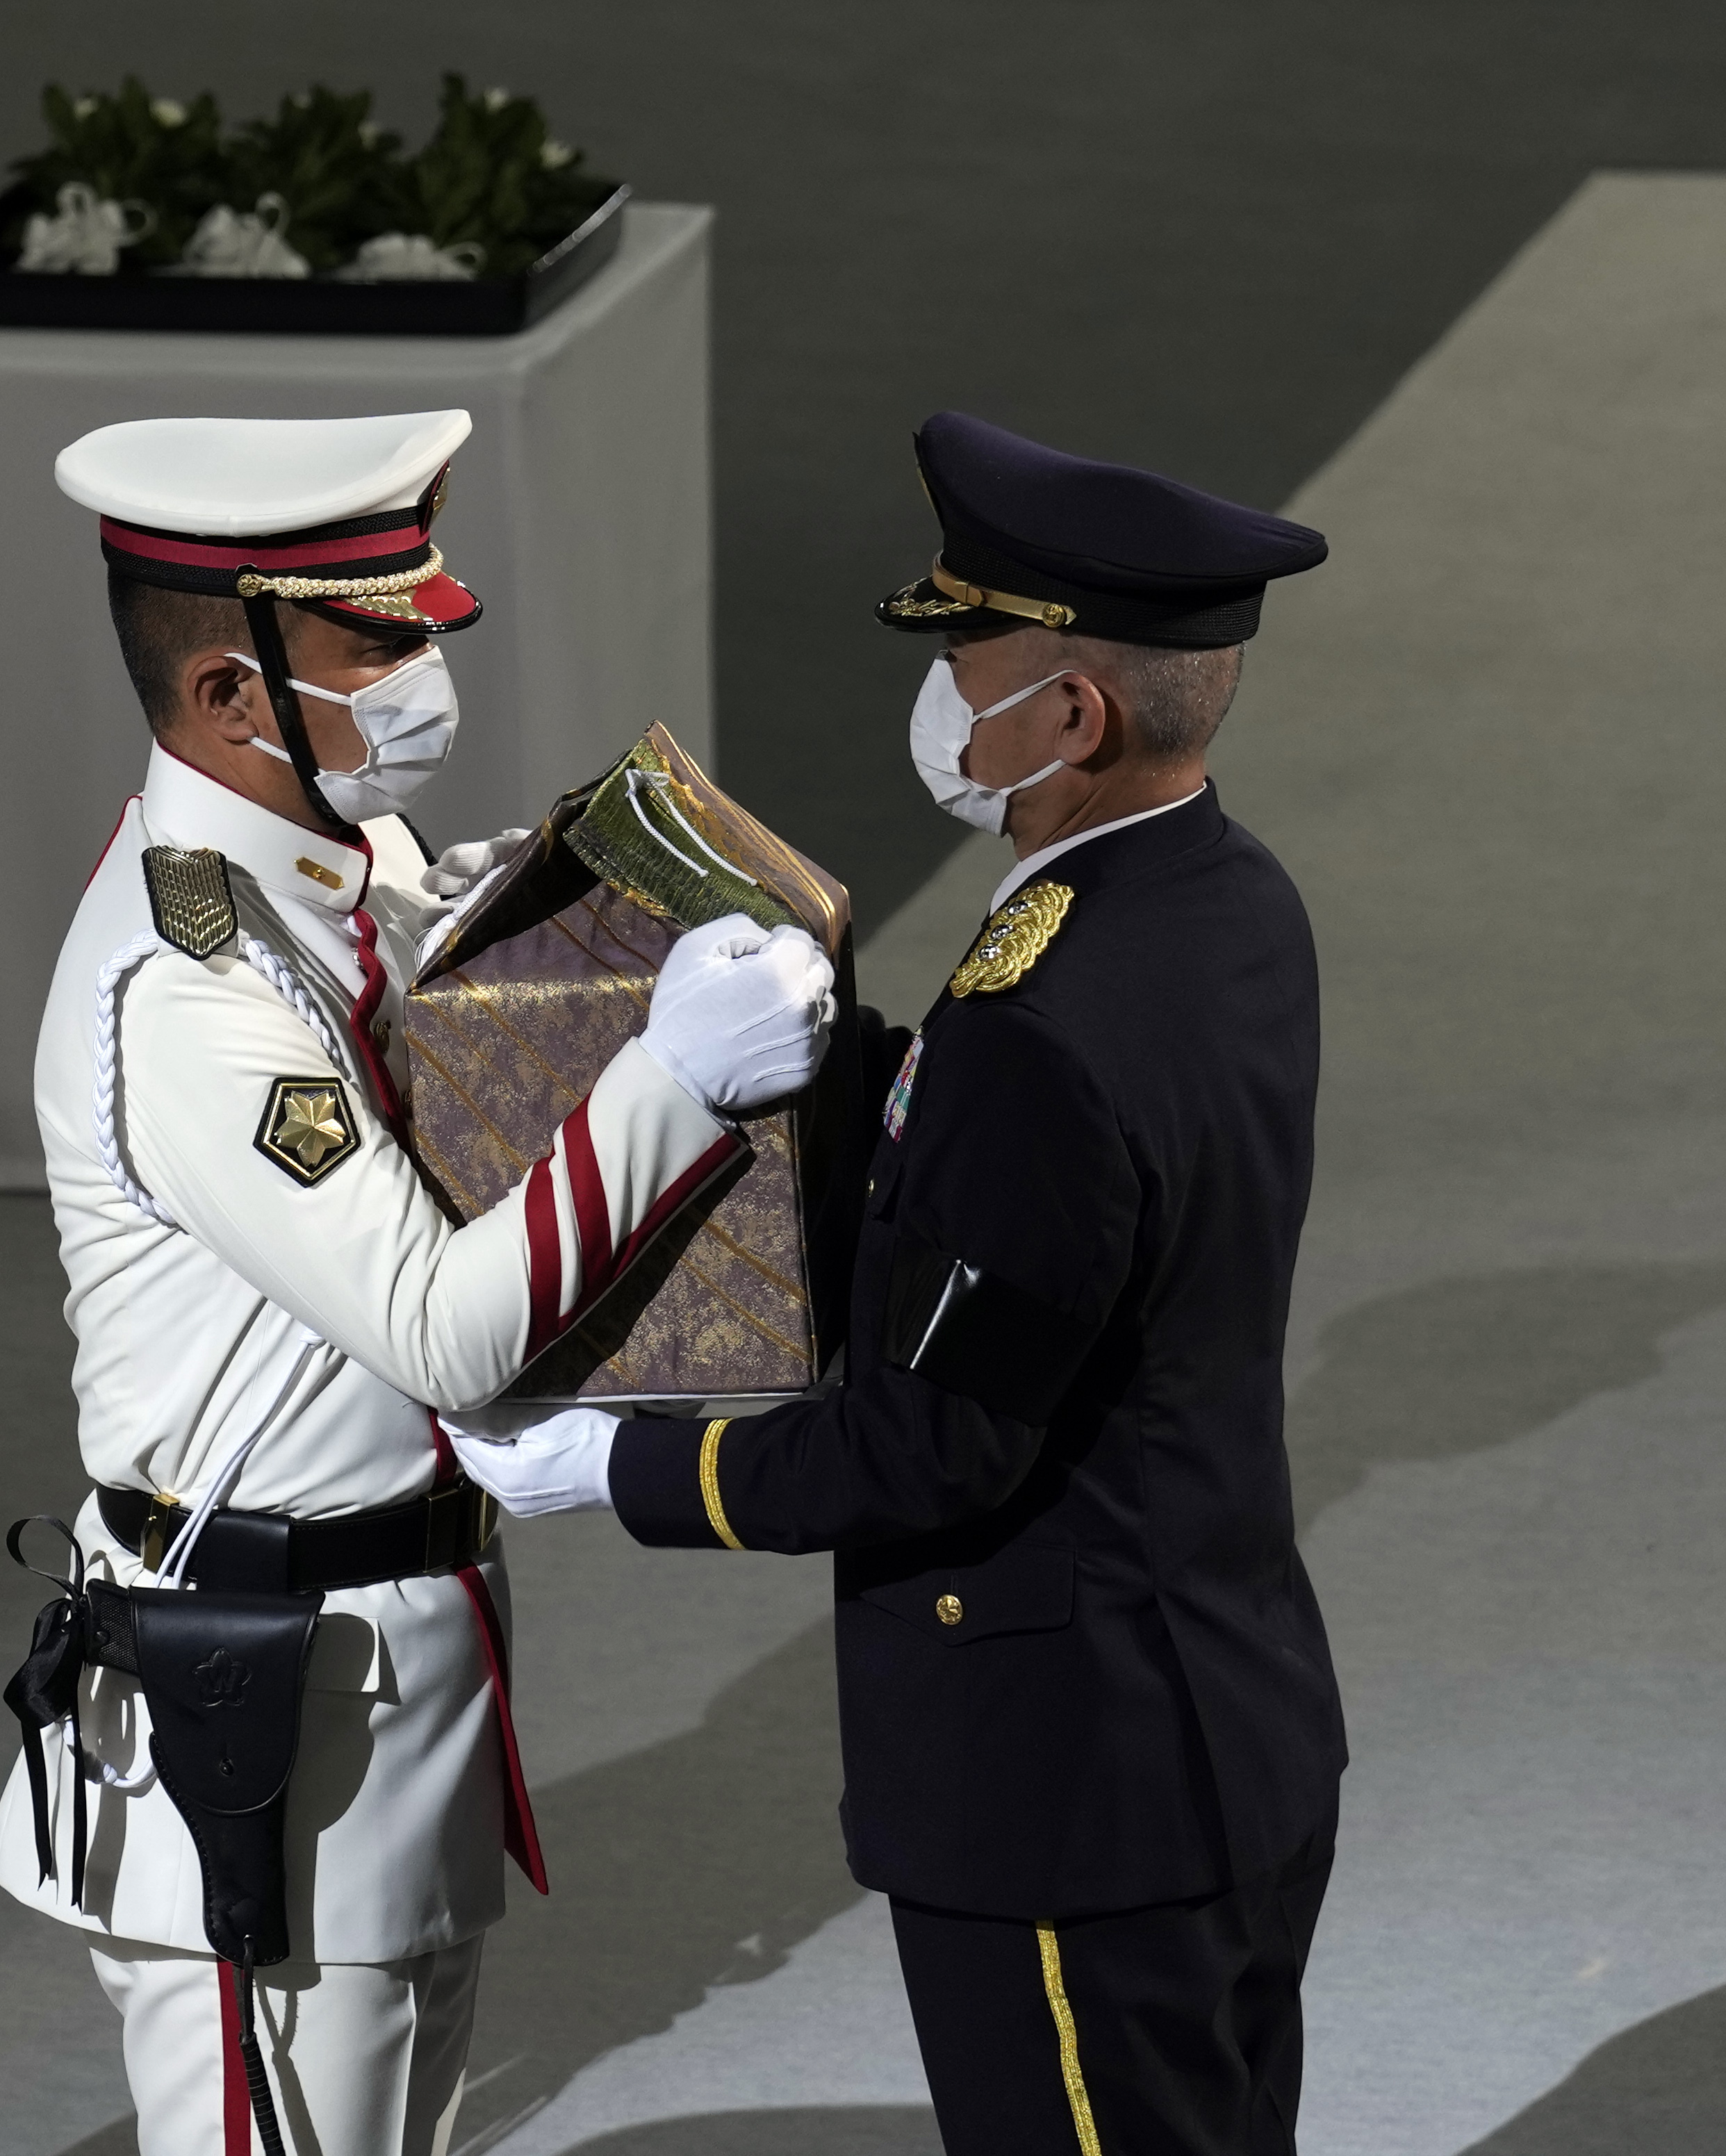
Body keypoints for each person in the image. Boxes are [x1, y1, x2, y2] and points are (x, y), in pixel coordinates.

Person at [467, 411, 1345, 2155]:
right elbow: (1047, 1203)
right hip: (1214, 1720)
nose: (944, 688)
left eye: (969, 655)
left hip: (1064, 1781)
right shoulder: (1219, 904)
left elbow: (930, 1443)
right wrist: (838, 1060)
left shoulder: (1045, 1013)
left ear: (1072, 715)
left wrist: (617, 1464)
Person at [0, 412, 837, 2156]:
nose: (425, 668)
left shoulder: (335, 860)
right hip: (262, 1718)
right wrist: (669, 1074)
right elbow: (443, 1328)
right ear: (230, 699)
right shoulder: (191, 984)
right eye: (373, 642)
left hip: (384, 1668)